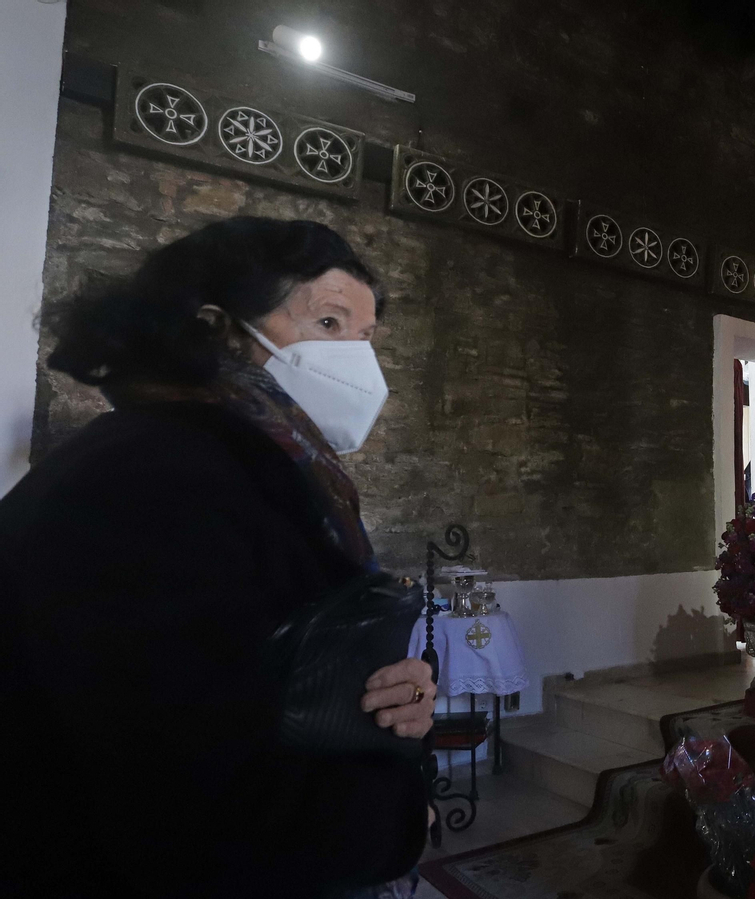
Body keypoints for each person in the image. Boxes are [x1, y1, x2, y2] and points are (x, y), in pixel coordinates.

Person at [0, 218, 435, 897]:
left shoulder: (244, 466)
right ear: (217, 329)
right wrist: (399, 814)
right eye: (328, 320)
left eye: (365, 336)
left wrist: (379, 701)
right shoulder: (147, 482)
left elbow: (260, 672)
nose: (358, 359)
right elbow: (188, 802)